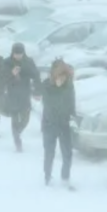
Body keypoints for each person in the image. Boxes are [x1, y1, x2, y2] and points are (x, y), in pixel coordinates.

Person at [39, 58, 76, 187]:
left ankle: (65, 178)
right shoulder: (46, 86)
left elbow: (72, 103)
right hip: (49, 124)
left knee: (68, 153)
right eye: (59, 76)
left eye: (64, 76)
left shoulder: (69, 86)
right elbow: (49, 104)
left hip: (64, 124)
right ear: (54, 76)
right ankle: (47, 176)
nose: (62, 79)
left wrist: (73, 117)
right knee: (49, 152)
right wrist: (57, 87)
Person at [0, 42, 39, 152]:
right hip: (12, 94)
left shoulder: (28, 62)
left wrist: (37, 91)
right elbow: (1, 78)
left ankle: (17, 132)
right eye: (16, 54)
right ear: (12, 53)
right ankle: (17, 140)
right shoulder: (7, 62)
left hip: (25, 93)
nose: (18, 56)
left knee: (26, 119)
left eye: (20, 54)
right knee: (15, 118)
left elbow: (36, 76)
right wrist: (11, 73)